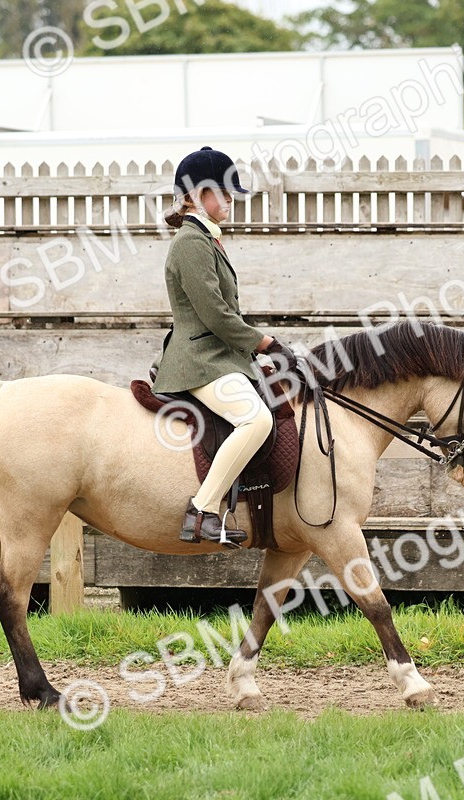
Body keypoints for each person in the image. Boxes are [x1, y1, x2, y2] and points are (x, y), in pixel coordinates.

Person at [152, 146, 296, 546]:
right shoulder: (191, 243)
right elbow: (215, 314)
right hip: (200, 360)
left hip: (221, 357)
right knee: (256, 420)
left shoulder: (206, 239)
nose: (232, 200)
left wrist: (253, 354)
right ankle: (202, 511)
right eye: (224, 192)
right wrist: (265, 342)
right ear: (196, 195)